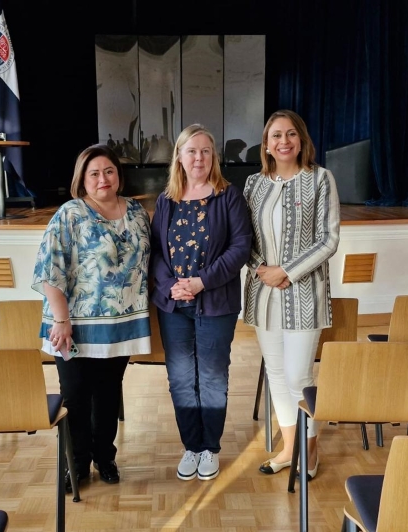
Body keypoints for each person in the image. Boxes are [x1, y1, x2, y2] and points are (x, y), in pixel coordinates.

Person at [32, 144, 151, 492]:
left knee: (108, 393)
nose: (103, 178)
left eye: (109, 171)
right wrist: (61, 320)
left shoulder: (137, 212)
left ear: (118, 175)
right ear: (82, 179)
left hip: (120, 325)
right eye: (94, 173)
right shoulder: (70, 214)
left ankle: (105, 457)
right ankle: (77, 464)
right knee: (75, 395)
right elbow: (49, 270)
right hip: (72, 325)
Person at [150, 124, 252, 481]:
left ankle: (210, 447)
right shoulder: (166, 200)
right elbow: (156, 253)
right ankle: (191, 446)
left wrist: (200, 282)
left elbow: (241, 247)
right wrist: (171, 286)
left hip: (217, 302)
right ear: (179, 156)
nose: (199, 158)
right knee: (180, 378)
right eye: (191, 151)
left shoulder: (229, 196)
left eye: (206, 151)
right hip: (174, 305)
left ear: (214, 157)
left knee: (211, 377)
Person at [242, 110, 340, 480]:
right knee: (277, 374)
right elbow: (244, 239)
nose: (284, 141)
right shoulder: (254, 184)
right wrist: (262, 270)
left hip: (304, 295)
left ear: (302, 140)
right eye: (276, 136)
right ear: (266, 144)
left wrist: (287, 271)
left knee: (300, 375)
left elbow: (328, 239)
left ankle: (309, 450)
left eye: (291, 134)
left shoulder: (320, 179)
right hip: (263, 293)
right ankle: (289, 448)